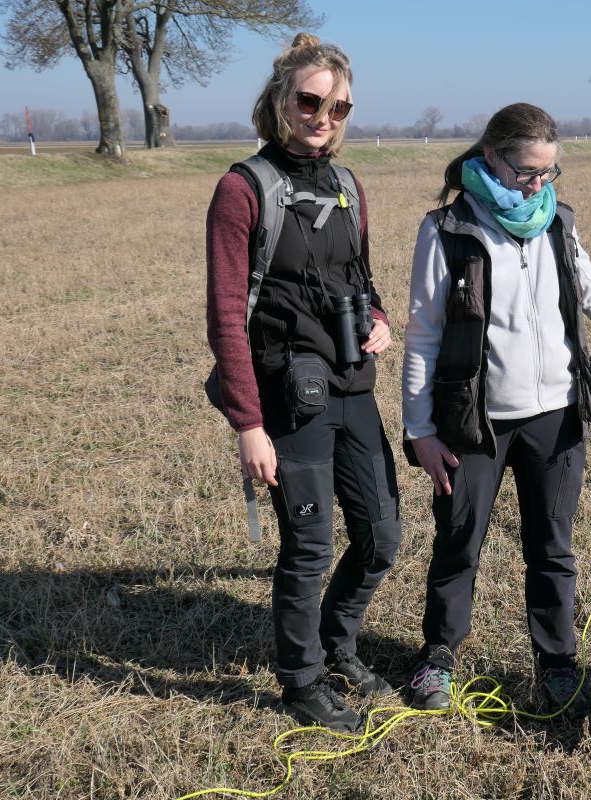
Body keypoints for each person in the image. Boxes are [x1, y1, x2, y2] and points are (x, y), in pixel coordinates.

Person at [402, 102, 591, 715]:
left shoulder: (558, 221)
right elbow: (422, 333)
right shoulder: (446, 229)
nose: (539, 184)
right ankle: (438, 657)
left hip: (555, 415)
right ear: (492, 158)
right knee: (458, 541)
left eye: (550, 172)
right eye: (528, 172)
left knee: (552, 547)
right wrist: (419, 429)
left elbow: (588, 286)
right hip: (474, 421)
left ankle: (557, 662)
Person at [205, 33, 401, 732]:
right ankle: (301, 680)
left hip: (355, 383)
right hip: (289, 395)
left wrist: (378, 319)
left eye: (340, 106)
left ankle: (336, 643)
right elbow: (227, 315)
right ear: (280, 100)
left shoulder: (348, 186)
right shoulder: (242, 188)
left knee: (382, 536)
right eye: (311, 101)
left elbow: (363, 282)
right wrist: (248, 425)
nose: (325, 117)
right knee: (311, 545)